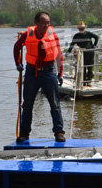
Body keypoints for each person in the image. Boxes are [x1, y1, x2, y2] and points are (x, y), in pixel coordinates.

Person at [14, 11, 65, 143]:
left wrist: (60, 73)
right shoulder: (27, 35)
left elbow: (59, 55)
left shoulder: (53, 35)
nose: (46, 25)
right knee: (27, 105)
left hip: (49, 72)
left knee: (55, 104)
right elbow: (16, 47)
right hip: (32, 73)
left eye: (48, 23)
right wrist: (18, 63)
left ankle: (59, 132)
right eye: (43, 23)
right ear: (36, 23)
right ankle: (24, 134)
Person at [67, 21, 99, 86]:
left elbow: (96, 37)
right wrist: (68, 52)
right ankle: (84, 81)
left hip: (90, 52)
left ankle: (89, 81)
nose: (81, 28)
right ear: (78, 28)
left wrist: (94, 45)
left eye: (82, 27)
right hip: (83, 53)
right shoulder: (76, 36)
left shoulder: (88, 34)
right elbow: (72, 44)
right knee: (83, 68)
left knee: (90, 67)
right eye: (80, 27)